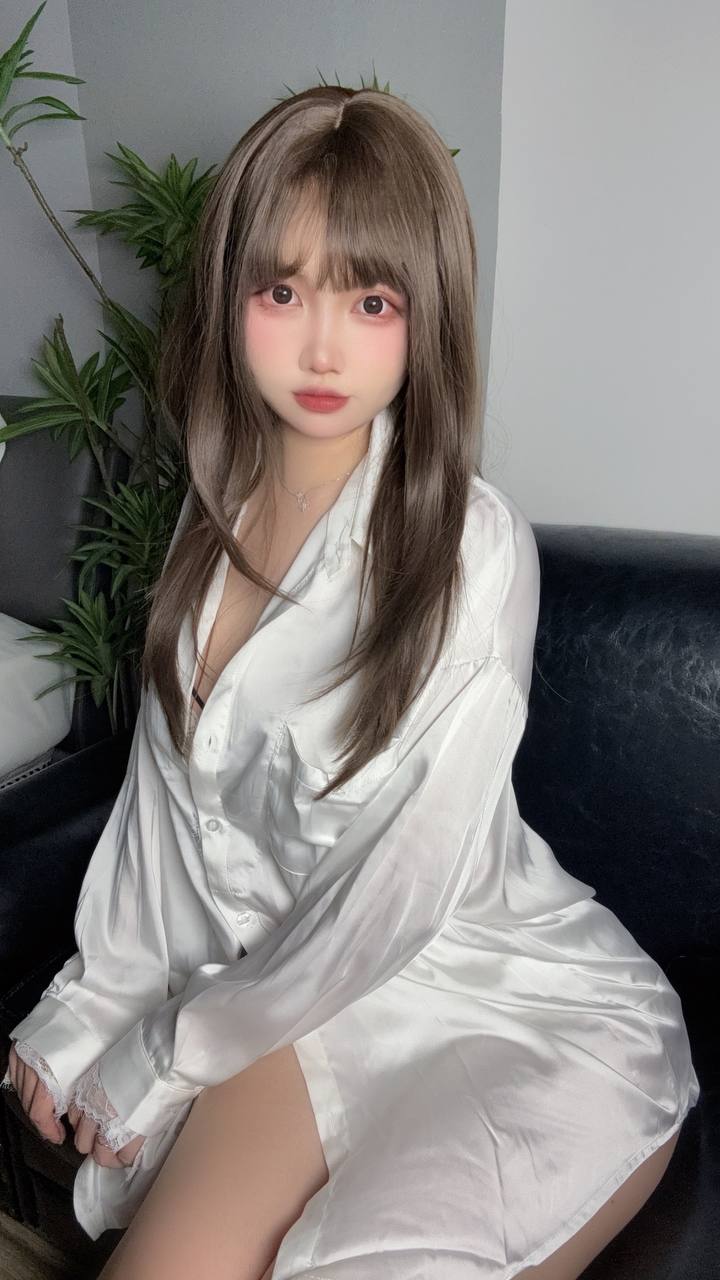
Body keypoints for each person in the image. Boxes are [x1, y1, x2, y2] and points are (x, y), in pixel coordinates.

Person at [1, 84, 699, 1280]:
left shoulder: (469, 551)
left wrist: (164, 1051)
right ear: (230, 297)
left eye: (371, 300)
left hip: (495, 998)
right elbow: (164, 814)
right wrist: (93, 1003)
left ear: (427, 314)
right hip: (287, 1001)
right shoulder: (212, 522)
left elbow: (395, 891)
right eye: (283, 291)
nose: (323, 347)